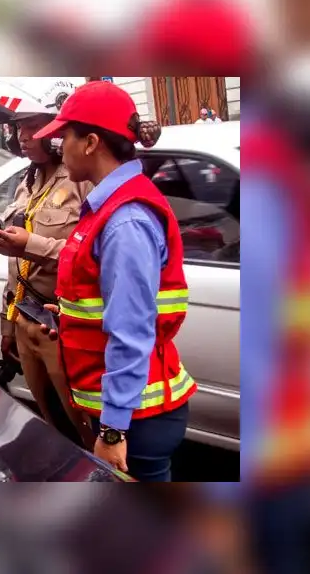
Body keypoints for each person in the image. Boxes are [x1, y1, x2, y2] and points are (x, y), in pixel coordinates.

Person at [32, 81, 195, 481]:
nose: (59, 148)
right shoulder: (110, 207)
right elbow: (108, 300)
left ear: (90, 143)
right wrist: (70, 317)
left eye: (64, 137)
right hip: (131, 412)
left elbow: (132, 329)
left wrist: (112, 430)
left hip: (137, 419)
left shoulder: (125, 220)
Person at [0, 77, 97, 448]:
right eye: (17, 128)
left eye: (31, 127)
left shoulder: (82, 181)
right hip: (26, 322)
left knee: (86, 432)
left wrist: (30, 245)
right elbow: (16, 267)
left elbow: (90, 253)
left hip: (63, 327)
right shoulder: (28, 179)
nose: (22, 137)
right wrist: (8, 325)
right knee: (53, 428)